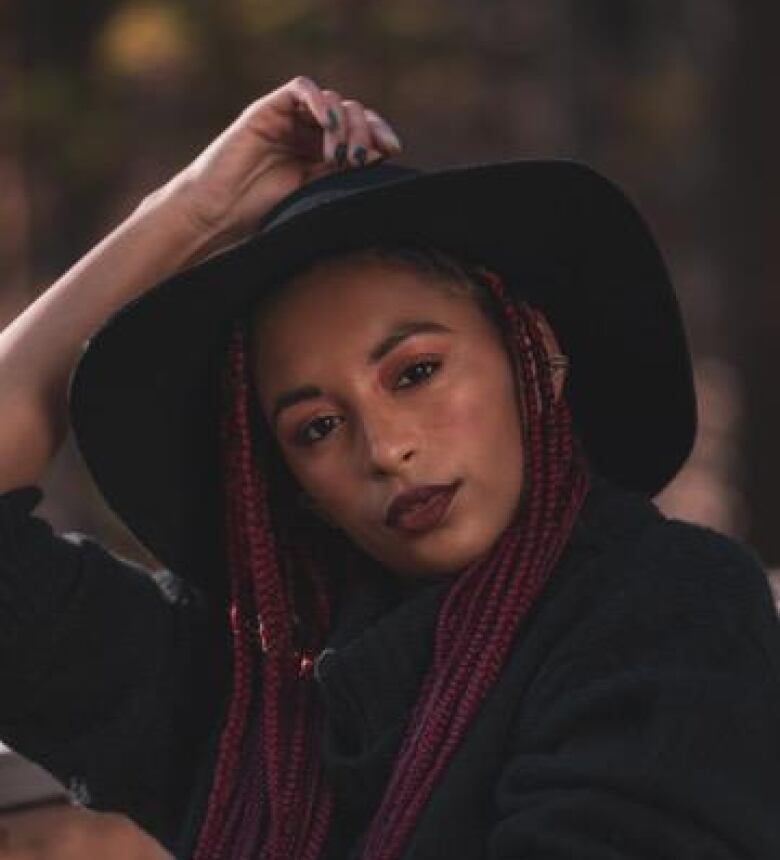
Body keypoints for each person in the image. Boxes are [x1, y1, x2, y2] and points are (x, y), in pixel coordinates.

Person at [1, 75, 779, 860]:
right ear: (292, 485)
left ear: (533, 351)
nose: (383, 449)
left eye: (415, 373)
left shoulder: (668, 607)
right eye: (319, 427)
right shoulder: (247, 700)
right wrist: (189, 212)